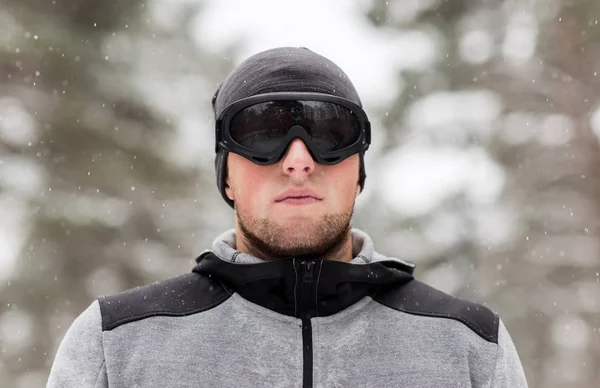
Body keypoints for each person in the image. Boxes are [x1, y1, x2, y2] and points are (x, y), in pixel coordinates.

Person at [46, 47, 528, 387]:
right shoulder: (117, 343)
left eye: (330, 132)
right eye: (261, 132)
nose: (298, 159)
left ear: (359, 172)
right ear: (226, 176)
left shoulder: (468, 347)